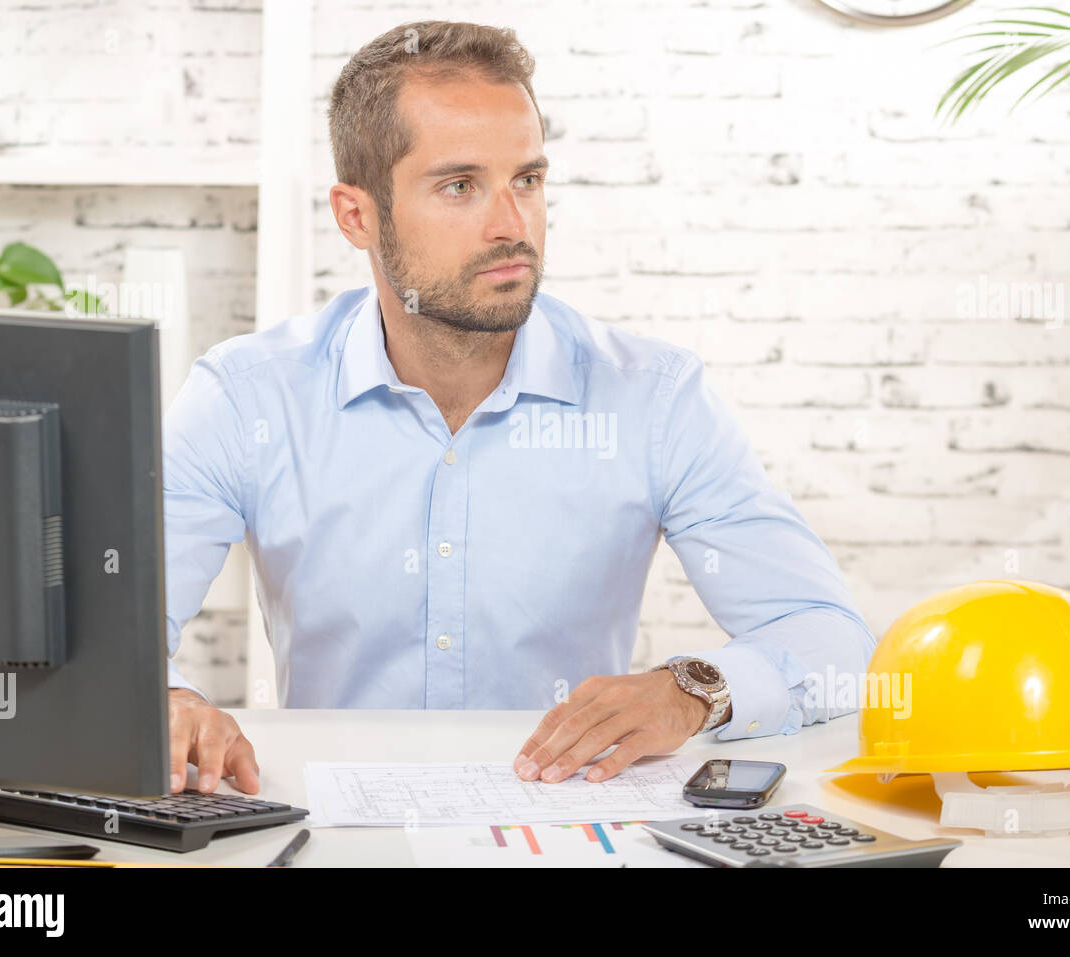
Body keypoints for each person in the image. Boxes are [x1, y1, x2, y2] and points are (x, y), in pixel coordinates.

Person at [162, 20, 875, 795]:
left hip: (564, 828)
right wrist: (163, 701)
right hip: (330, 826)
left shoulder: (653, 398)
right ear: (356, 215)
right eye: (460, 186)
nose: (512, 227)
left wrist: (693, 689)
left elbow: (835, 641)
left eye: (527, 180)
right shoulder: (248, 396)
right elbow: (106, 637)